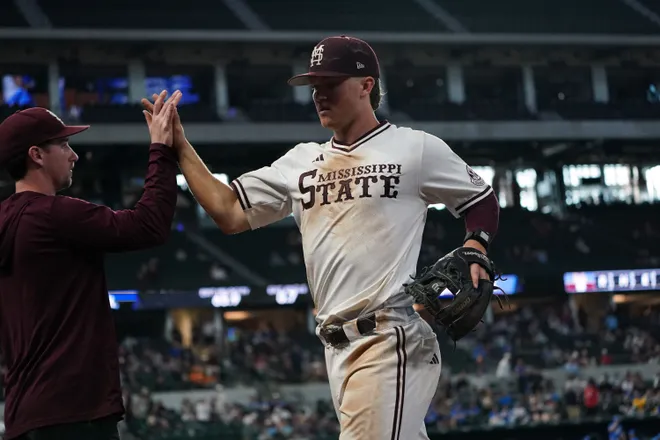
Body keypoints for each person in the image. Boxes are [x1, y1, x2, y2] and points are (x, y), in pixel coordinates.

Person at [143, 35, 499, 439]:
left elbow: (480, 199)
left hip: (387, 340)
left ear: (366, 85)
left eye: (331, 84)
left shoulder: (413, 148)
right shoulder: (299, 161)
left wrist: (476, 243)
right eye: (315, 87)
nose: (319, 95)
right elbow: (228, 212)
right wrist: (181, 147)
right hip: (335, 349)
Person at [0, 90, 181, 440]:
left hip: (23, 415)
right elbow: (150, 225)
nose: (74, 155)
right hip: (74, 413)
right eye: (64, 145)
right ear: (36, 154)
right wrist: (162, 149)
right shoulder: (55, 214)